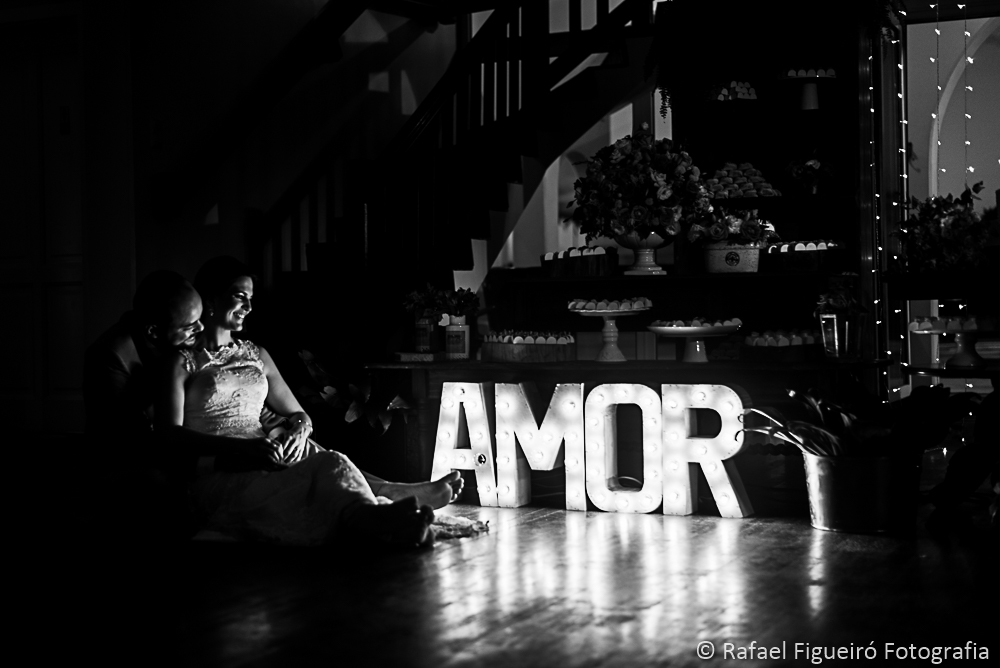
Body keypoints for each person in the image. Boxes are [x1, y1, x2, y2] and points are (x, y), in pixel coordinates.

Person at [156, 256, 460, 546]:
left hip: (269, 452)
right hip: (224, 465)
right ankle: (378, 514)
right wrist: (241, 449)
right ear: (211, 299)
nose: (248, 306)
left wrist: (299, 430)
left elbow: (298, 414)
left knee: (329, 460)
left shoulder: (256, 354)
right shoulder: (182, 361)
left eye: (251, 298)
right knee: (324, 469)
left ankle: (377, 514)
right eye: (239, 296)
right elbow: (169, 434)